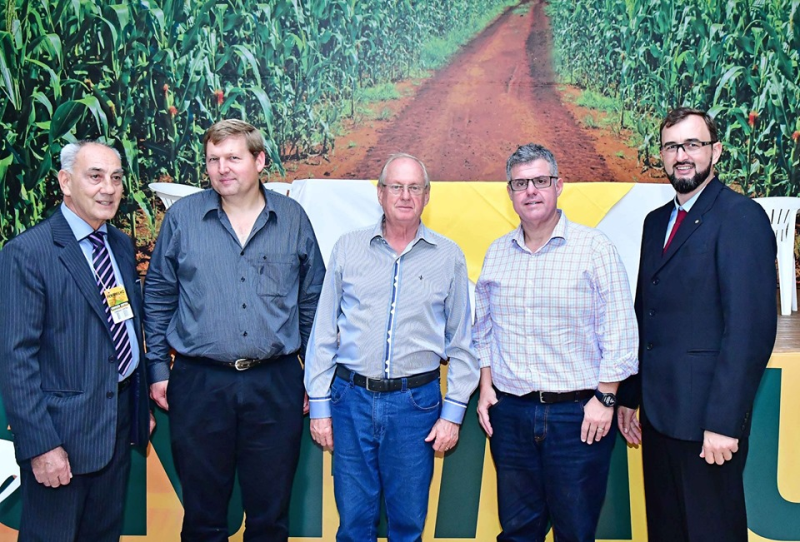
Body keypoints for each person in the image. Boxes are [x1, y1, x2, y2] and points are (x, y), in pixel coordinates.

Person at [144, 119, 325, 541]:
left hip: (275, 382)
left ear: (259, 161)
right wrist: (157, 368)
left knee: (270, 517)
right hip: (199, 383)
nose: (222, 168)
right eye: (213, 159)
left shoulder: (292, 219)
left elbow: (313, 302)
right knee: (203, 517)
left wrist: (313, 376)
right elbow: (158, 294)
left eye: (233, 158)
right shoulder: (183, 218)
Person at [616, 107, 777, 542]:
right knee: (666, 532)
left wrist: (724, 422)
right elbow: (646, 315)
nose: (681, 155)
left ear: (715, 151)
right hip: (658, 416)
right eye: (671, 147)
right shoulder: (655, 223)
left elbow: (749, 330)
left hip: (708, 422)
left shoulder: (741, 217)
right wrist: (630, 396)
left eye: (692, 144)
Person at [305, 153, 479, 542]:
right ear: (380, 193)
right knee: (354, 524)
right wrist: (319, 404)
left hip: (415, 406)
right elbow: (324, 332)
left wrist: (453, 415)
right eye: (396, 186)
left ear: (427, 196)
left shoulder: (448, 256)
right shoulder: (348, 248)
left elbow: (462, 344)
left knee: (407, 525)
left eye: (414, 187)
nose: (405, 195)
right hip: (350, 401)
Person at [473, 143, 638, 542]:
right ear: (510, 192)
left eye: (540, 181)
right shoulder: (497, 253)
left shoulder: (594, 248)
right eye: (521, 183)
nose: (531, 191)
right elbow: (483, 329)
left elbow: (620, 331)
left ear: (559, 185)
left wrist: (606, 398)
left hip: (577, 418)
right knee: (518, 532)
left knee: (575, 533)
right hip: (511, 415)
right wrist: (486, 386)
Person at [0, 141, 151, 541]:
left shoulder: (119, 244)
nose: (109, 188)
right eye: (95, 177)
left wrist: (137, 408)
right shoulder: (28, 253)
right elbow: (16, 360)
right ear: (65, 182)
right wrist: (42, 447)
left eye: (116, 178)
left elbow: (124, 326)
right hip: (61, 439)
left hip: (116, 427)